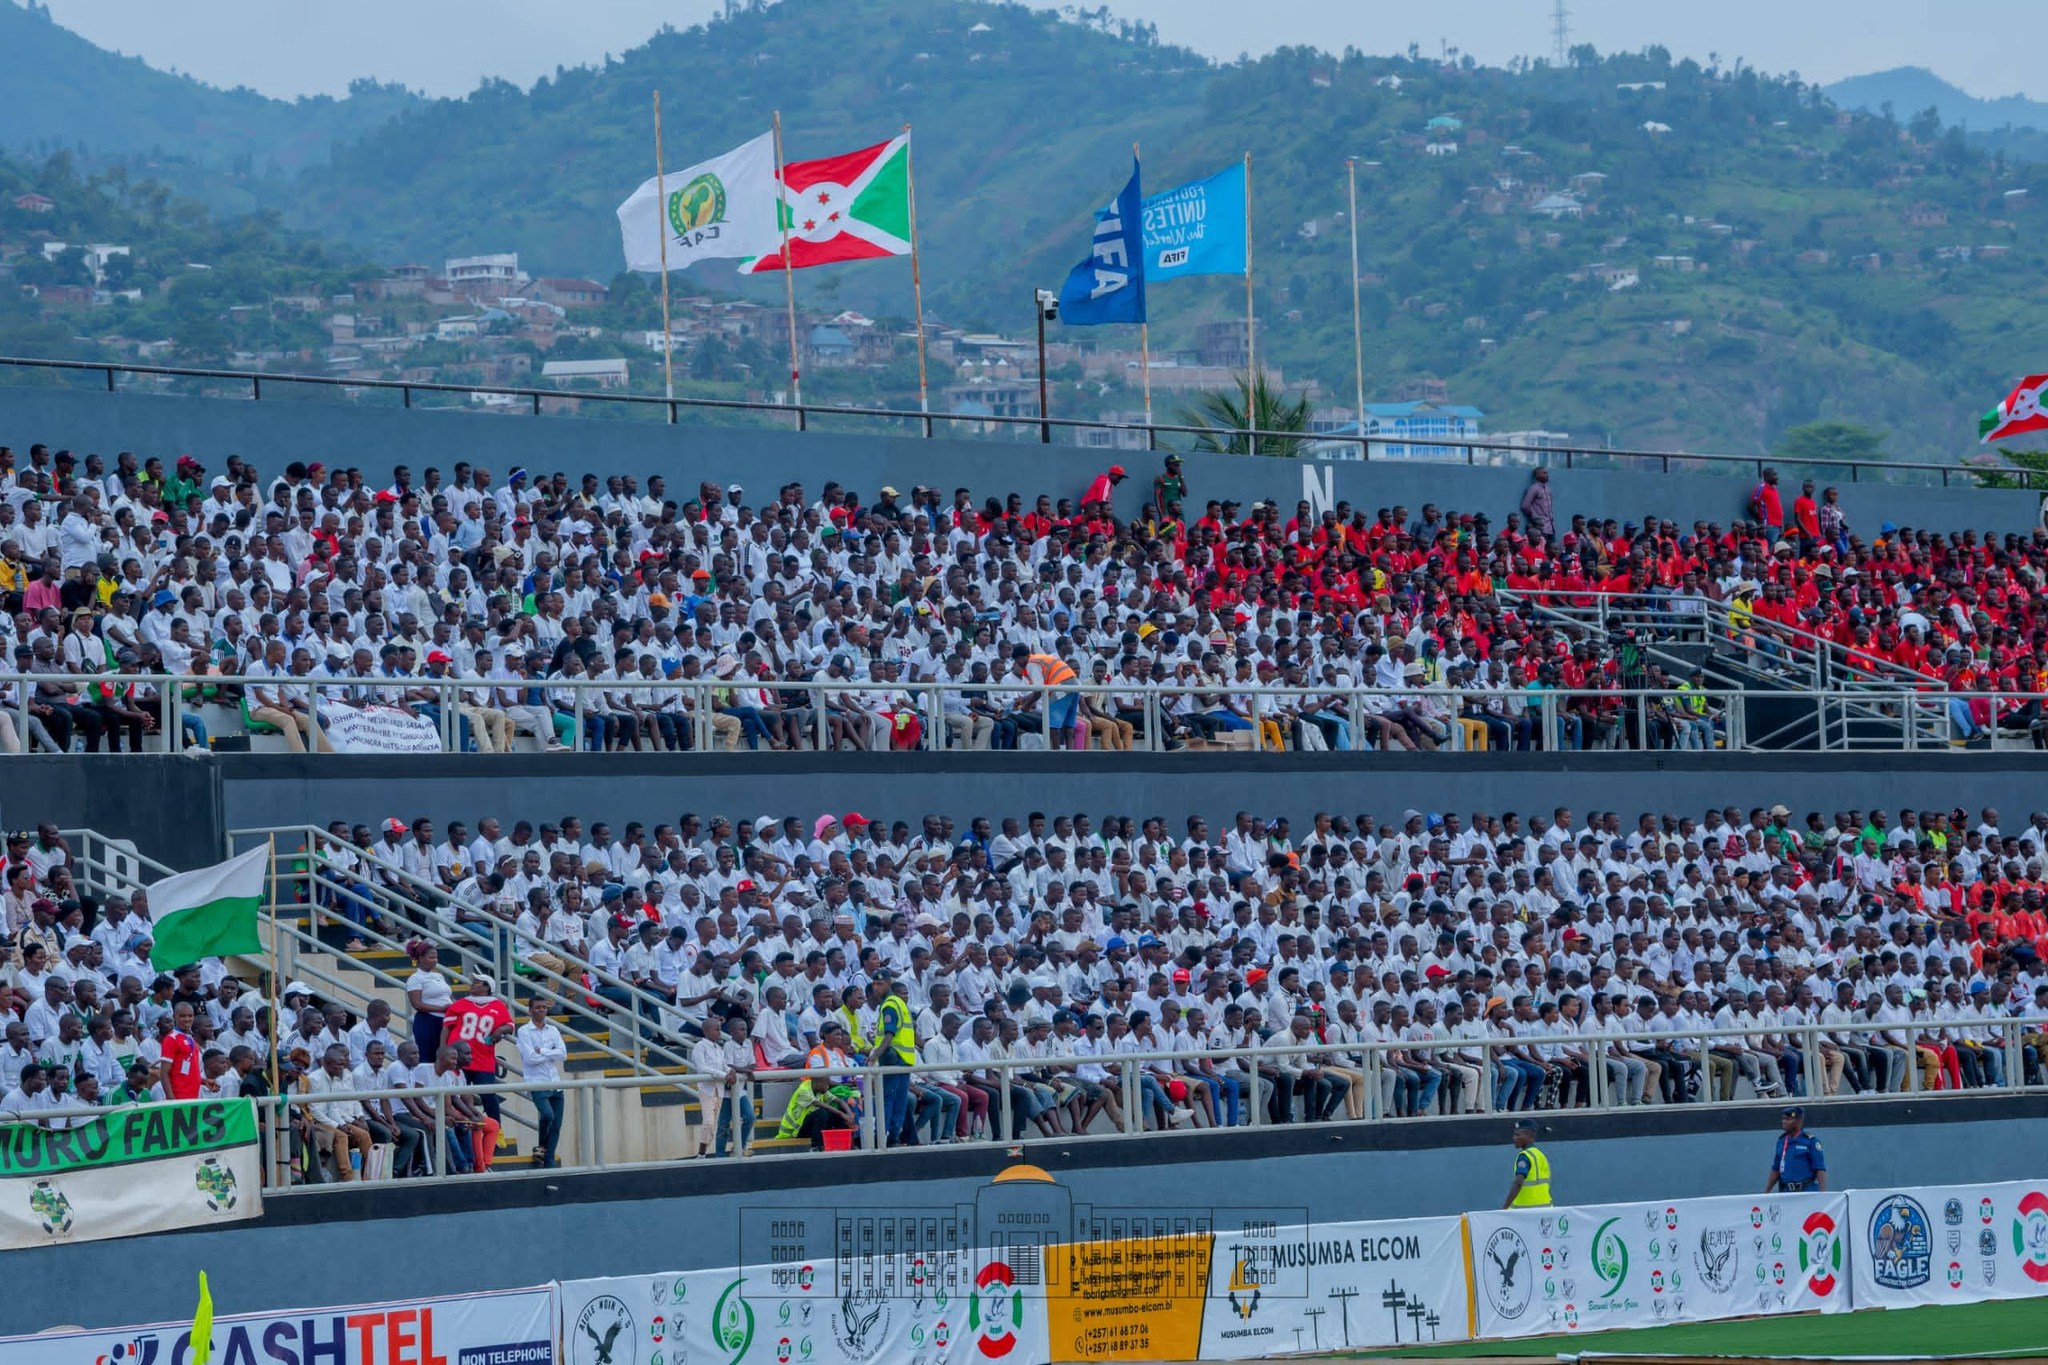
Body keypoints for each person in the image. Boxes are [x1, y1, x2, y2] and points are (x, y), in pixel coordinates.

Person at [442, 972, 514, 1122]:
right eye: (473, 981)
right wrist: (443, 1049)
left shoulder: (498, 1005)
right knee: (457, 1096)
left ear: (487, 987)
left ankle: (496, 1130)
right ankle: (463, 1125)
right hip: (459, 1058)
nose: (472, 984)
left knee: (488, 1095)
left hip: (483, 1057)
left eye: (477, 982)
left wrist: (500, 1030)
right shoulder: (460, 1004)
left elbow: (510, 1025)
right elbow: (447, 1027)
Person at [515, 998, 568, 1168]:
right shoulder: (524, 1031)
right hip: (537, 1082)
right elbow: (530, 1058)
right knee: (548, 1115)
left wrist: (543, 1051)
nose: (541, 1010)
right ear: (530, 1010)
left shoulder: (553, 1029)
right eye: (537, 1008)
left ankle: (548, 1158)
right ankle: (542, 1146)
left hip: (555, 1082)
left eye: (544, 1007)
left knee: (556, 1125)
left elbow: (563, 1054)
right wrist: (551, 1053)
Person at [1764, 1105, 1827, 1193]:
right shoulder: (1781, 1141)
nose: (1784, 1122)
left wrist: (1823, 1193)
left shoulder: (1811, 1141)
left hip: (1806, 1192)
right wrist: (1766, 1192)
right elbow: (1776, 1169)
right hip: (1786, 1193)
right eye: (1783, 1119)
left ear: (1799, 1121)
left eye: (1788, 1119)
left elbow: (1819, 1168)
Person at [1503, 1120, 1551, 1208]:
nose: (1514, 1138)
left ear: (1529, 1136)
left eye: (1518, 1135)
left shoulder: (1524, 1157)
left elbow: (1518, 1182)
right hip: (1545, 1209)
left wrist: (1504, 1207)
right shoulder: (1540, 1155)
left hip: (1525, 1212)